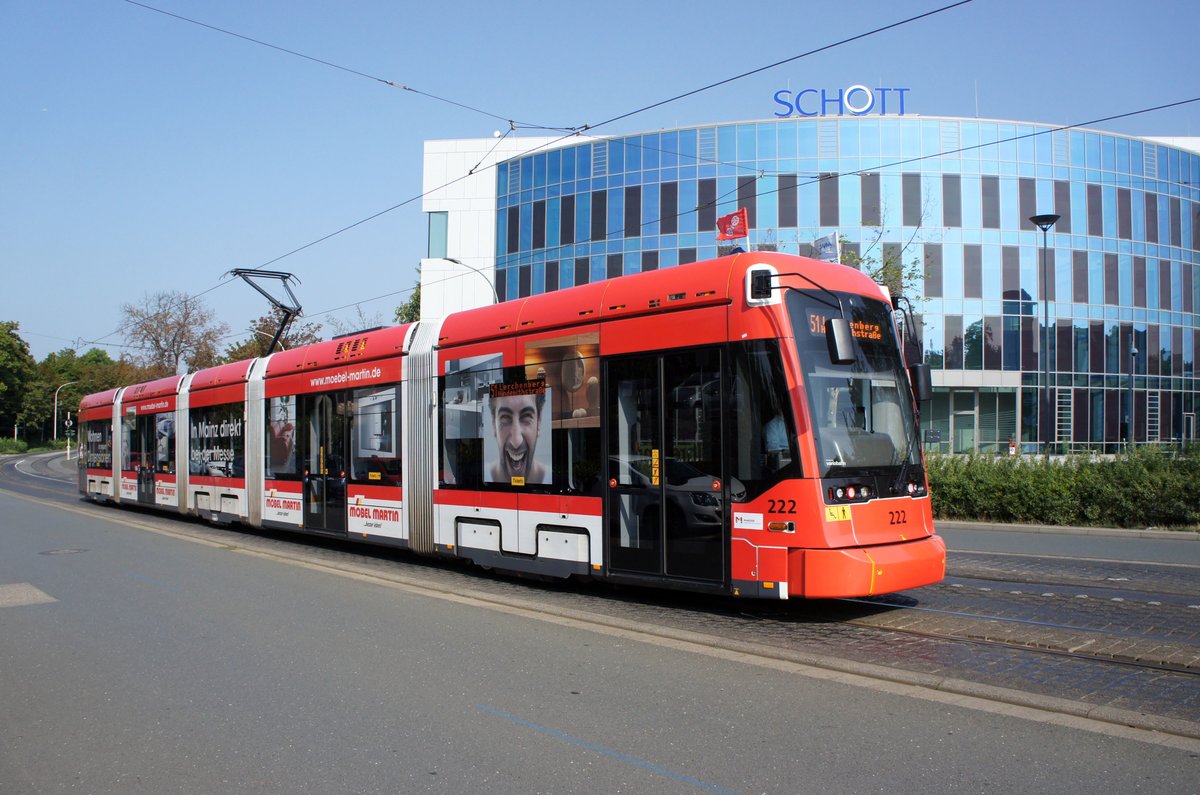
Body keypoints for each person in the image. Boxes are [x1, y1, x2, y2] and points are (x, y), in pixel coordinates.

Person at [487, 387, 549, 484]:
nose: (516, 442)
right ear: (493, 424)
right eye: (505, 417)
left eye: (526, 417)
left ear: (539, 421)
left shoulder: (550, 477)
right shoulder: (483, 476)